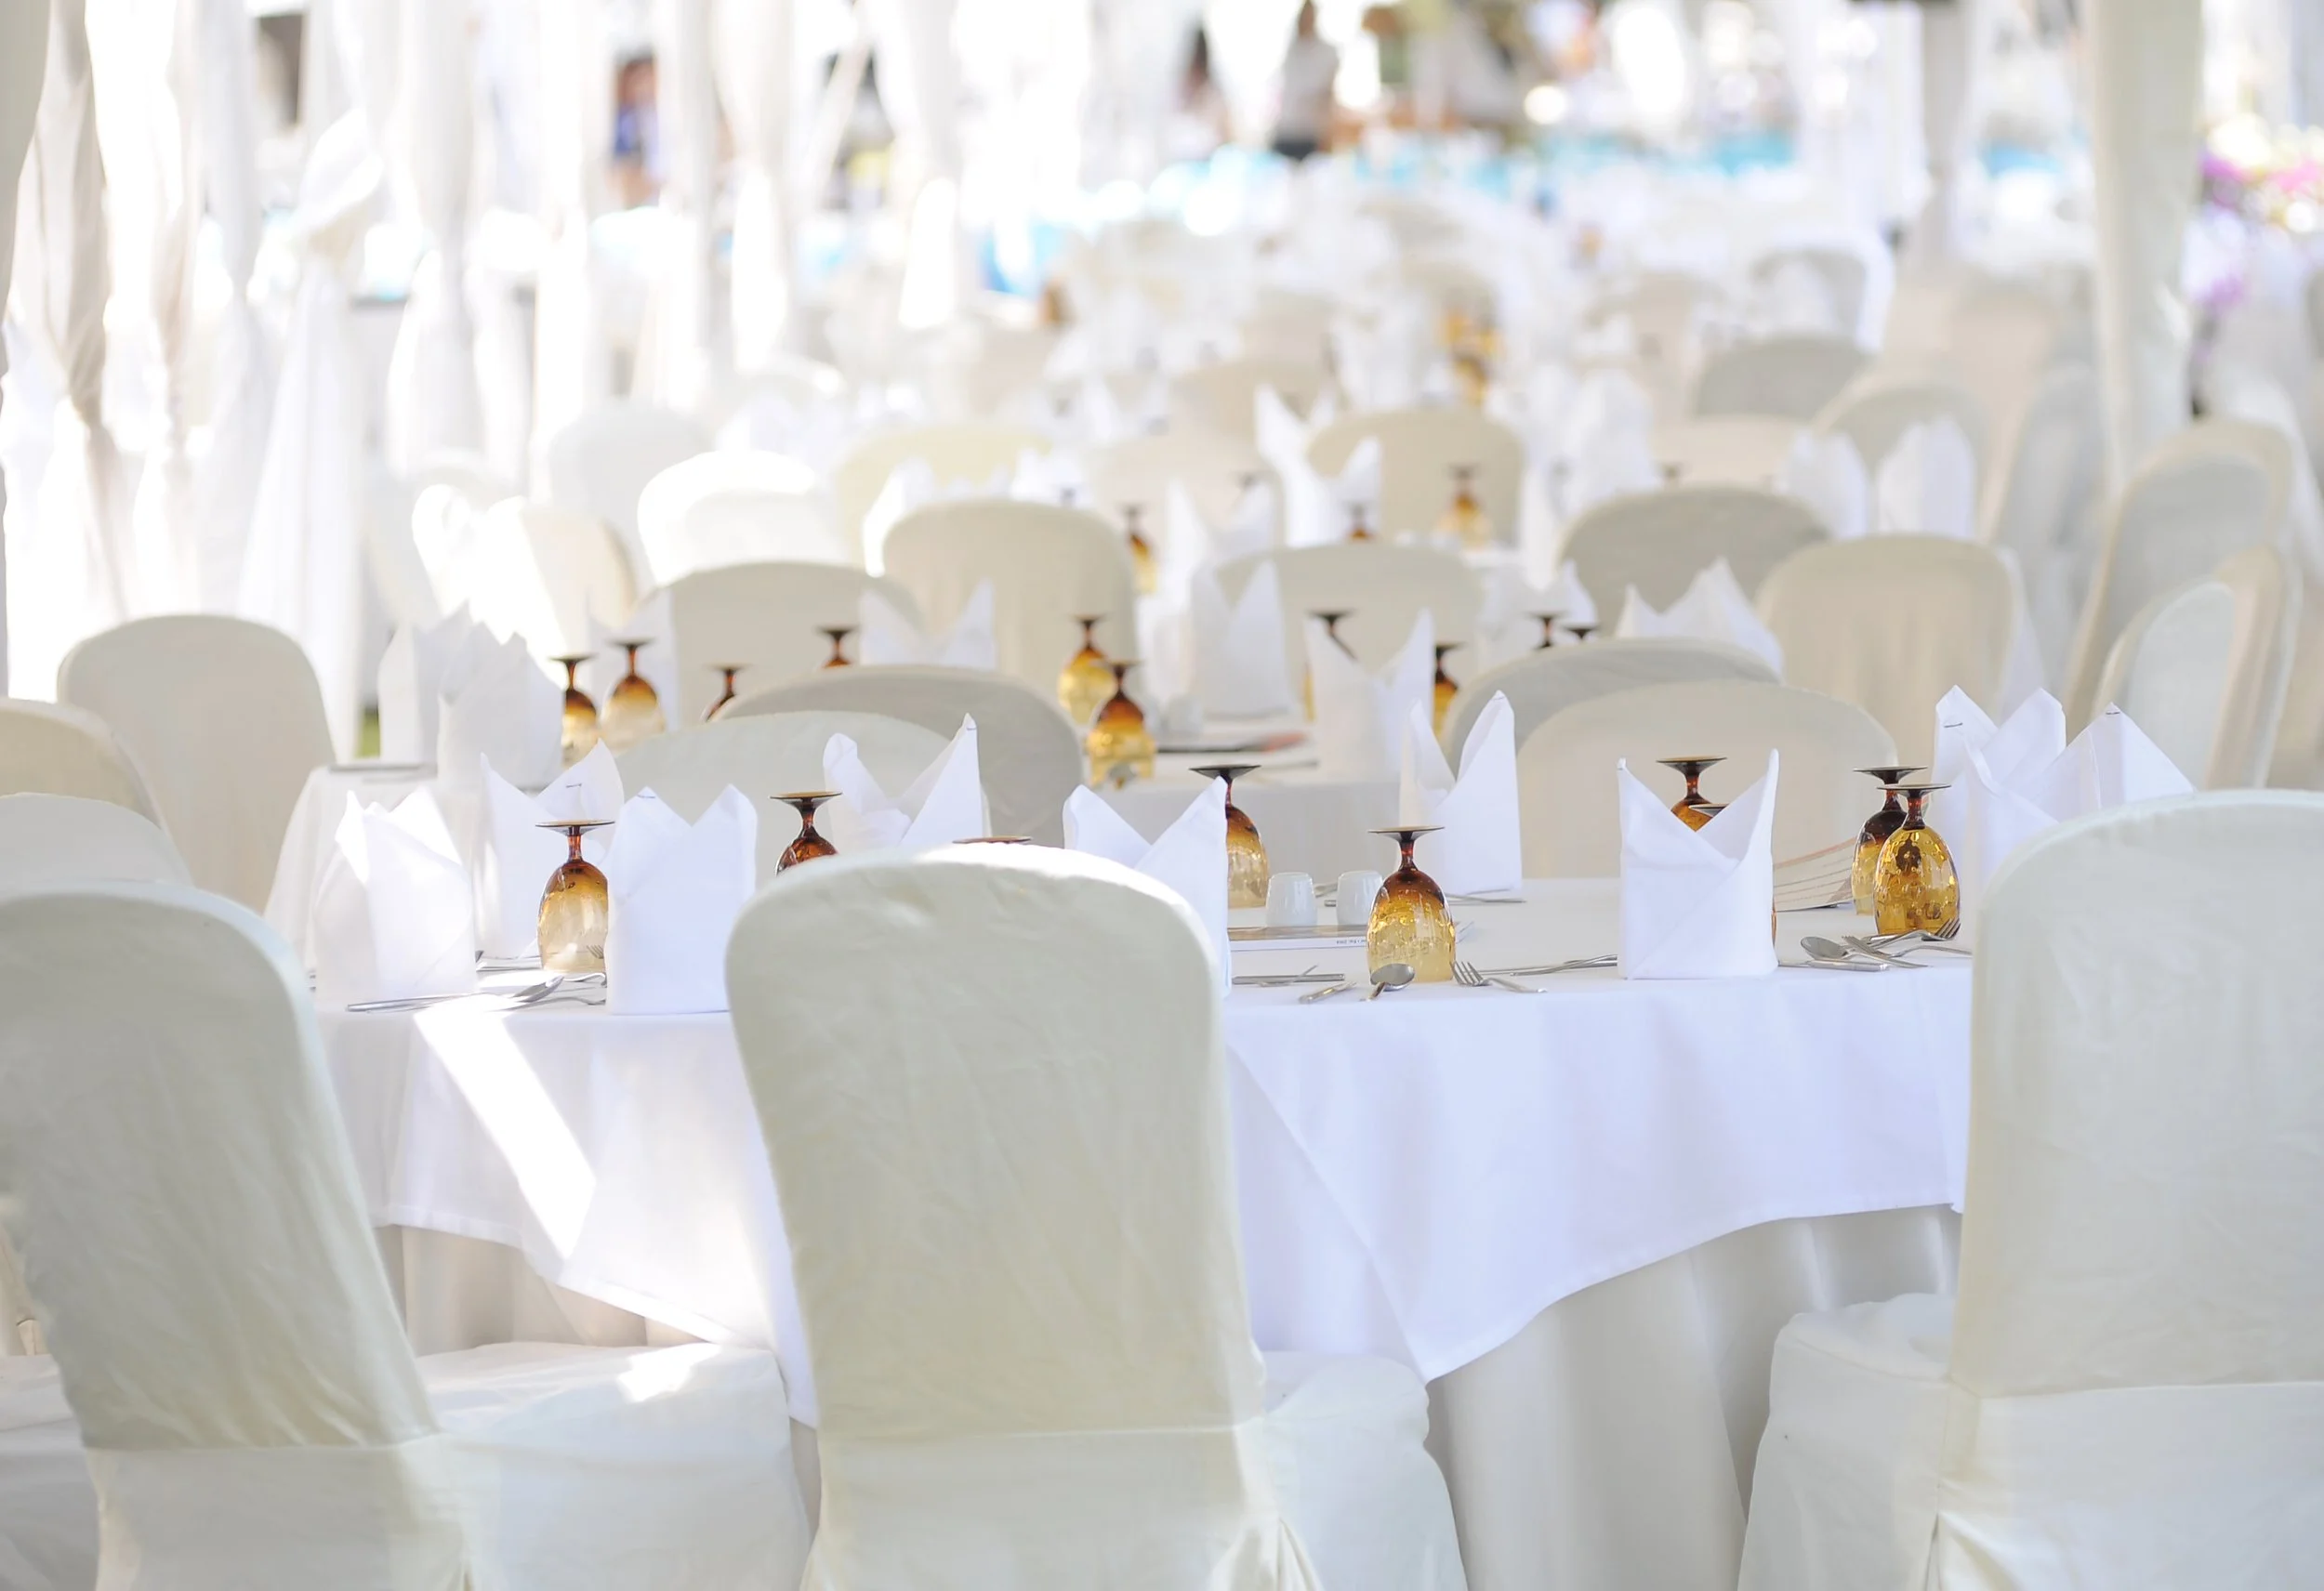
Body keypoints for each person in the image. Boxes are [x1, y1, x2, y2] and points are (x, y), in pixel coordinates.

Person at [1273, 4, 1340, 162]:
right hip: (1287, 130)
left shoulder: (1327, 52)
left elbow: (1328, 96)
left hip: (1312, 132)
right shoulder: (1290, 49)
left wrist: (1328, 132)